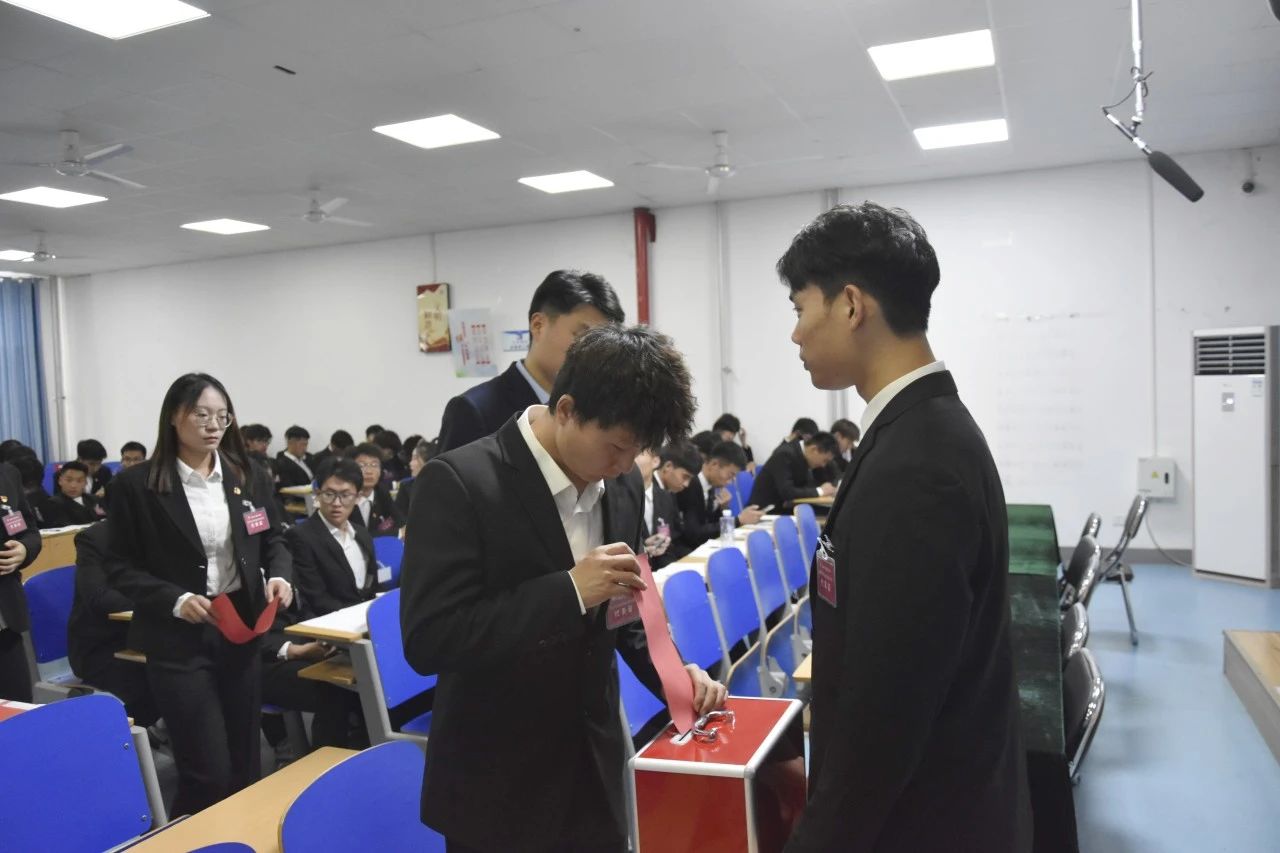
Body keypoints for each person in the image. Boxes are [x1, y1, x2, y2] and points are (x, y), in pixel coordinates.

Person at [401, 325, 726, 852]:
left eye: (637, 451)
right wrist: (570, 591)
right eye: (616, 447)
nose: (624, 466)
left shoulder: (621, 482)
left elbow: (627, 607)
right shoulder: (461, 482)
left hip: (595, 769)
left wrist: (675, 673)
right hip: (499, 781)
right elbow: (431, 639)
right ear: (568, 410)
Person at [776, 202, 1030, 851]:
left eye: (800, 308)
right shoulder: (921, 429)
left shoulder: (916, 465)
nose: (796, 334)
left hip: (923, 821)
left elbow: (885, 718)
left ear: (850, 305)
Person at [105, 373, 293, 816]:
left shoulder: (247, 474)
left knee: (247, 761)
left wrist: (280, 576)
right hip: (177, 640)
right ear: (175, 416)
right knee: (207, 769)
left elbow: (273, 539)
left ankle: (242, 837)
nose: (213, 425)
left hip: (240, 631)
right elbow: (118, 567)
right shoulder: (137, 485)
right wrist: (173, 598)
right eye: (202, 415)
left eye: (222, 417)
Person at [437, 269, 624, 453]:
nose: (594, 352)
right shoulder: (475, 410)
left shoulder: (594, 408)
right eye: (582, 336)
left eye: (602, 343)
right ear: (538, 325)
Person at [261, 457, 371, 750]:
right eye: (329, 494)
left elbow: (369, 588)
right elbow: (316, 598)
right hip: (328, 632)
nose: (336, 503)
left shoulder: (361, 535)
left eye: (345, 495)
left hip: (357, 630)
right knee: (344, 689)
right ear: (317, 493)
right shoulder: (300, 537)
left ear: (358, 496)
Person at [67, 523, 159, 725]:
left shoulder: (166, 534)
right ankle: (153, 736)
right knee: (166, 678)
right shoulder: (96, 538)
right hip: (106, 647)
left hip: (155, 640)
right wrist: (161, 599)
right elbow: (99, 597)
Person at [0, 460, 43, 700]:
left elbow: (27, 529)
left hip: (6, 618)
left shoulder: (7, 473)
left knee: (19, 705)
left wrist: (24, 549)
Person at [675, 441, 764, 554]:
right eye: (731, 474)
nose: (731, 481)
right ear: (714, 465)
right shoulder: (691, 485)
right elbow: (694, 533)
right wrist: (738, 520)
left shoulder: (711, 485)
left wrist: (723, 509)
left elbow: (711, 526)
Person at [747, 431, 838, 514]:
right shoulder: (784, 455)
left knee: (833, 513)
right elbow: (787, 492)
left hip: (786, 507)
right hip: (765, 511)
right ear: (814, 450)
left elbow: (806, 486)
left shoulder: (804, 456)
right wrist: (820, 491)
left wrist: (826, 490)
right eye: (825, 460)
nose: (823, 465)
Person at [648, 442, 702, 564]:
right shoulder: (647, 489)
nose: (686, 484)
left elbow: (675, 537)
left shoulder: (669, 494)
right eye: (685, 477)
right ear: (668, 466)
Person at [348, 443, 404, 537]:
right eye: (362, 465)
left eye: (374, 465)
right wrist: (398, 532)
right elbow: (356, 536)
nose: (369, 471)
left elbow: (400, 521)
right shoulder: (345, 496)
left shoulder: (381, 491)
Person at [394, 437, 435, 521]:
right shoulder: (406, 486)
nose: (410, 463)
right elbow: (399, 517)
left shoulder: (443, 485)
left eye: (414, 458)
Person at [818, 418, 860, 484]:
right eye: (849, 442)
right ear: (837, 436)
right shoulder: (823, 455)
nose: (850, 447)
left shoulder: (855, 452)